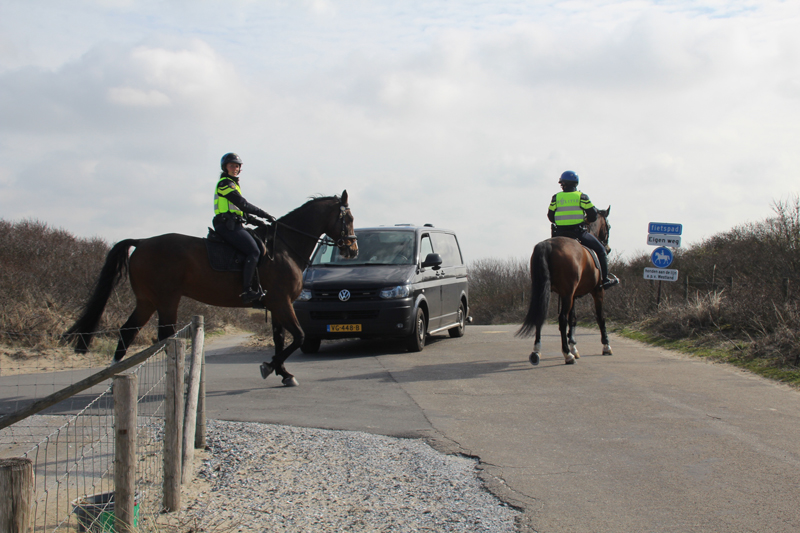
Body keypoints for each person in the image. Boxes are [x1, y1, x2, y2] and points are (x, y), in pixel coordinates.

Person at [213, 152, 276, 304]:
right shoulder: (225, 184)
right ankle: (247, 290)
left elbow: (239, 211)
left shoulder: (234, 185)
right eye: (231, 165)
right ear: (225, 167)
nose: (234, 168)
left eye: (236, 166)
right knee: (253, 251)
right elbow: (243, 204)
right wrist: (264, 214)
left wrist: (258, 222)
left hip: (235, 223)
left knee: (259, 248)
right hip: (226, 225)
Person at [548, 170, 619, 290]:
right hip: (578, 232)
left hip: (559, 234)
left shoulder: (556, 197)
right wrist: (586, 220)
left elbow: (550, 216)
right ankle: (605, 279)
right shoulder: (582, 197)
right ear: (576, 183)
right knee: (601, 250)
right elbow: (593, 215)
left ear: (562, 184)